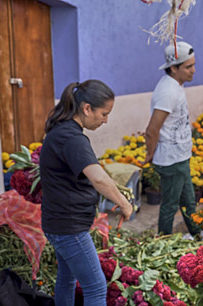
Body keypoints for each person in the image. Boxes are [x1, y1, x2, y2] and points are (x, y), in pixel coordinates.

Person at [40, 80, 134, 306]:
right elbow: (99, 178)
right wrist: (124, 203)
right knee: (96, 286)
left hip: (58, 222)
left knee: (66, 278)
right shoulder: (72, 138)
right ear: (87, 108)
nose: (106, 120)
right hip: (69, 227)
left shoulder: (63, 131)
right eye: (104, 113)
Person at [143, 41, 199, 236]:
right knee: (170, 206)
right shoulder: (168, 91)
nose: (193, 70)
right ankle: (164, 241)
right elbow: (152, 130)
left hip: (179, 156)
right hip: (171, 159)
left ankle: (198, 236)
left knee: (188, 202)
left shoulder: (175, 85)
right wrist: (150, 154)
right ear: (174, 68)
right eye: (188, 66)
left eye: (193, 64)